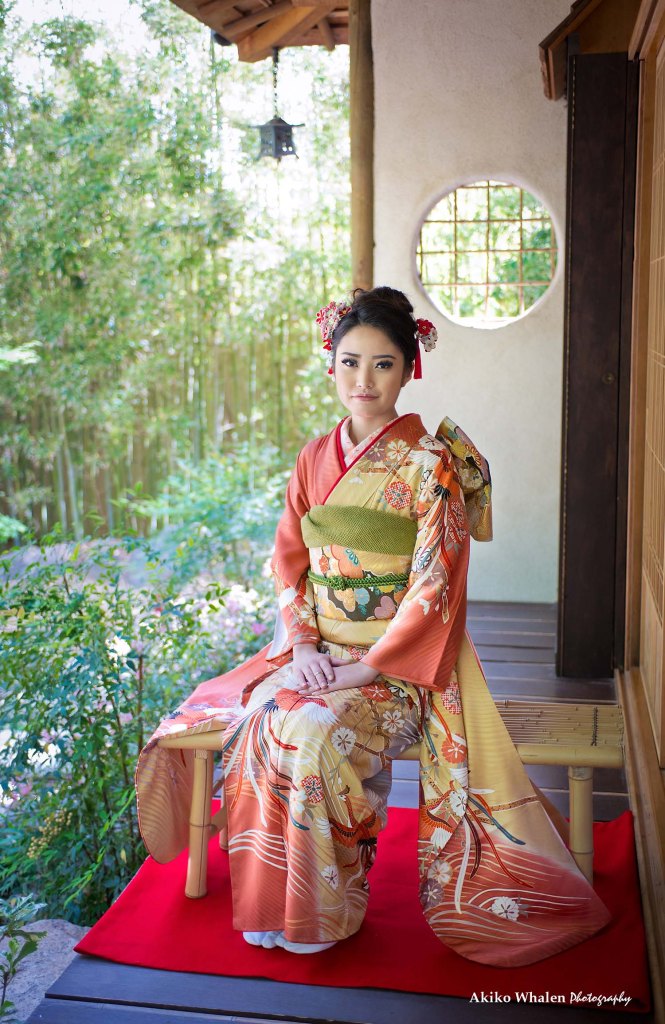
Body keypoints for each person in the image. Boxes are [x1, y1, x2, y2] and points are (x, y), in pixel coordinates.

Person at [135, 286, 611, 966]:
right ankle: (276, 899)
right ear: (329, 365)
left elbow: (433, 590)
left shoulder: (429, 466)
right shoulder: (311, 458)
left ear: (410, 368)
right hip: (312, 657)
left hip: (397, 672)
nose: (363, 381)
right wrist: (302, 648)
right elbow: (288, 562)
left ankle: (331, 899)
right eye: (349, 362)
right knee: (265, 723)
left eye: (382, 364)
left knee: (304, 726)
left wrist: (359, 669)